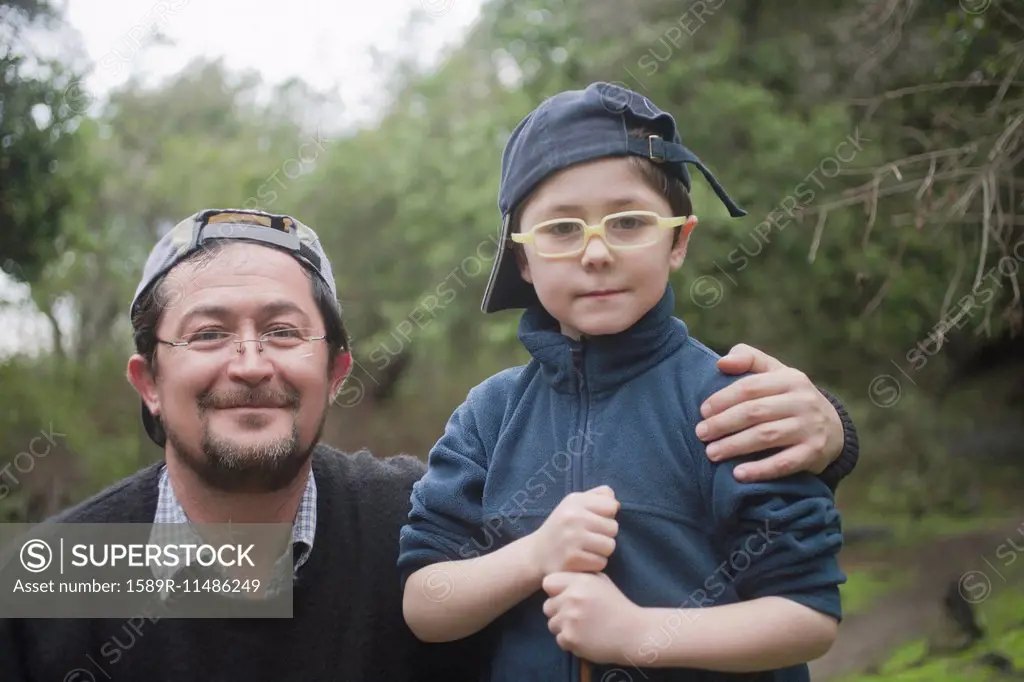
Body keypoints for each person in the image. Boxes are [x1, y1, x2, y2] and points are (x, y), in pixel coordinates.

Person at [0, 192, 854, 680]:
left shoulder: (422, 525)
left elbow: (629, 467)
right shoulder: (54, 574)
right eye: (210, 333)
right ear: (148, 379)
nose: (251, 363)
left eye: (285, 332)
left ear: (335, 373)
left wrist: (827, 436)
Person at [398, 82, 850, 682]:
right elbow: (423, 604)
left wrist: (640, 635)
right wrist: (534, 555)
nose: (595, 253)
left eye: (629, 221)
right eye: (561, 229)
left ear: (678, 240)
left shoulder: (734, 401)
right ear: (523, 261)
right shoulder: (488, 416)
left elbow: (808, 614)